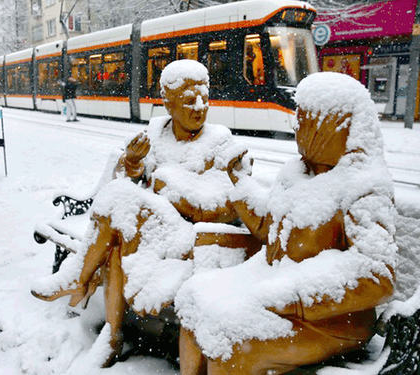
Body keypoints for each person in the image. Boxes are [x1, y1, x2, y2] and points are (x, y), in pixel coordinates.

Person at [32, 60, 256, 367]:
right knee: (117, 238)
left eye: (205, 98)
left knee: (119, 221)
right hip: (152, 235)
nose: (200, 107)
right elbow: (128, 187)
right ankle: (110, 333)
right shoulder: (156, 134)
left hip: (193, 241)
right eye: (190, 100)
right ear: (169, 103)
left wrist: (173, 190)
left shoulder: (219, 142)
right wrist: (134, 165)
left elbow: (223, 209)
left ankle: (83, 283)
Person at [176, 72, 398, 375]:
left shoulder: (365, 187)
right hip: (269, 287)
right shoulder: (295, 172)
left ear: (335, 125)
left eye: (304, 118)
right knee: (193, 300)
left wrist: (292, 296)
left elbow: (378, 273)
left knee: (233, 344)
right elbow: (270, 228)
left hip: (330, 322)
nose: (296, 126)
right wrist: (239, 181)